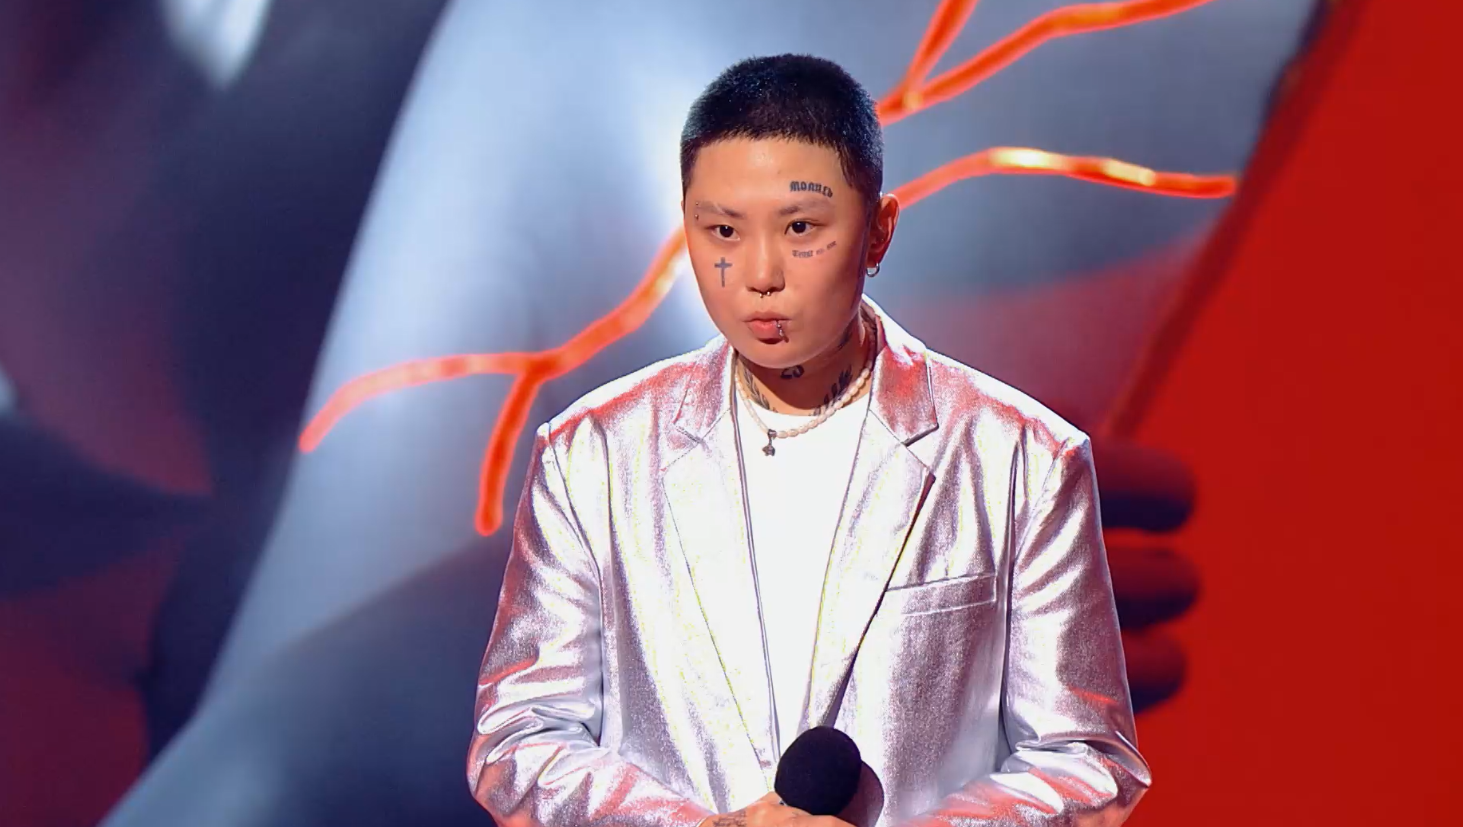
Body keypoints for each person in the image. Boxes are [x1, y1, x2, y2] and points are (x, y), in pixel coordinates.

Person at [467, 54, 1150, 827]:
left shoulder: (1020, 457)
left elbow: (1085, 760)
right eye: (722, 230)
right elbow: (518, 739)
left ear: (877, 231)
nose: (759, 273)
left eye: (799, 229)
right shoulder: (590, 453)